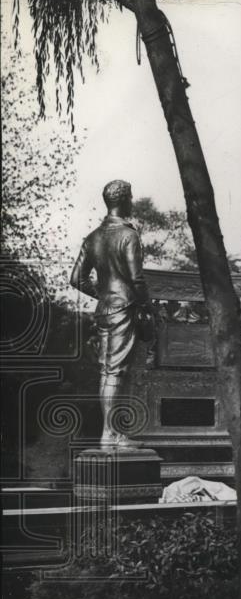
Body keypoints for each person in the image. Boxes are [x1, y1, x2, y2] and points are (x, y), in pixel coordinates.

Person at [70, 180, 151, 447]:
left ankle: (111, 432)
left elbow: (76, 279)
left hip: (104, 310)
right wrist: (147, 306)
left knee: (108, 371)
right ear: (125, 200)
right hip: (124, 308)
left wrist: (102, 295)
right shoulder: (129, 235)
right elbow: (136, 279)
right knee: (116, 372)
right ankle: (110, 433)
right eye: (130, 197)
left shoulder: (92, 237)